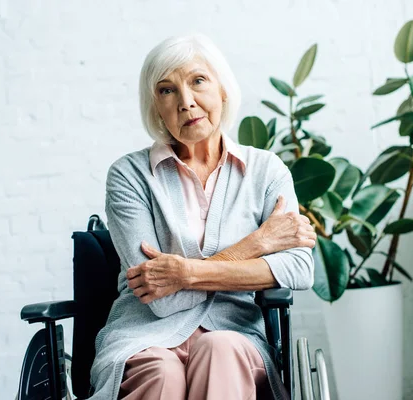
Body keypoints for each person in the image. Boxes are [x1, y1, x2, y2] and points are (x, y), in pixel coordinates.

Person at [89, 34, 316, 400]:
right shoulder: (128, 176)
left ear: (223, 89)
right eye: (167, 90)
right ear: (155, 107)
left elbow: (298, 270)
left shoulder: (266, 171)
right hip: (145, 335)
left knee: (220, 350)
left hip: (236, 334)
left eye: (198, 81)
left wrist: (185, 273)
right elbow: (162, 299)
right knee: (161, 372)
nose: (186, 102)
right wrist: (258, 244)